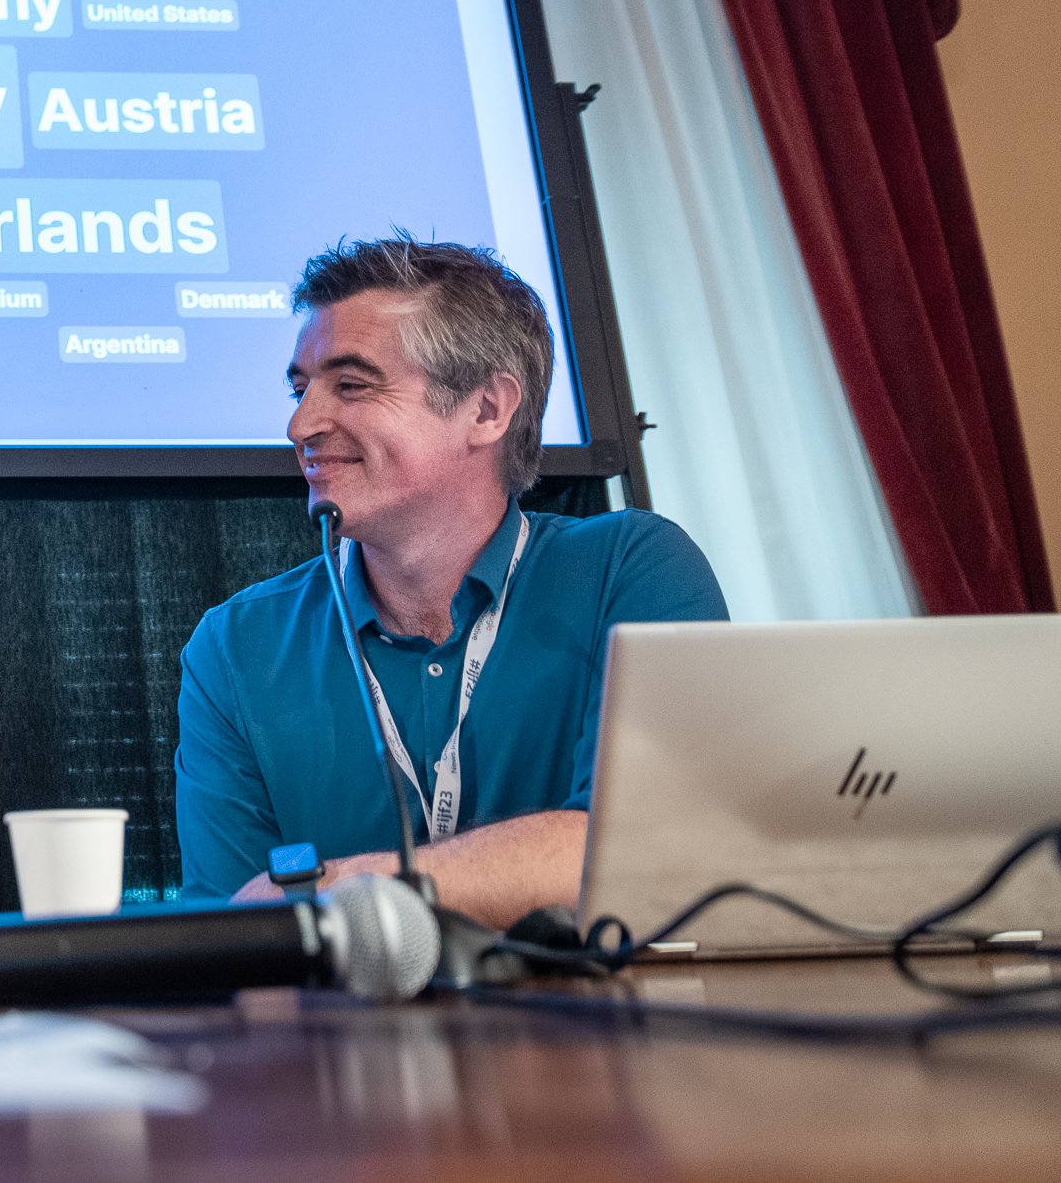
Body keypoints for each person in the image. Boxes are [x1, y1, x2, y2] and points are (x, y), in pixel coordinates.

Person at [176, 237, 727, 927]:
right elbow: (235, 930)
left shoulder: (632, 568)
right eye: (300, 389)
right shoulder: (236, 648)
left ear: (487, 409)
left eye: (351, 385)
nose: (301, 424)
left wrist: (348, 885)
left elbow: (647, 857)